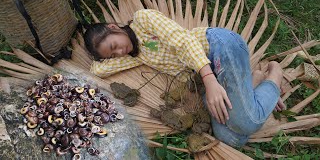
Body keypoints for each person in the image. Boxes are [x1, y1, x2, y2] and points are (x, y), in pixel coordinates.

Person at [84, 9, 285, 147]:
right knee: (230, 137)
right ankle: (254, 81)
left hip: (218, 47)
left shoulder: (143, 20)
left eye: (114, 46)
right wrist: (102, 55)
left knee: (248, 123)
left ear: (113, 27)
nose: (119, 52)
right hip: (211, 76)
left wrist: (209, 79)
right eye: (113, 54)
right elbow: (98, 69)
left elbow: (183, 41)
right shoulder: (135, 56)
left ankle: (275, 73)